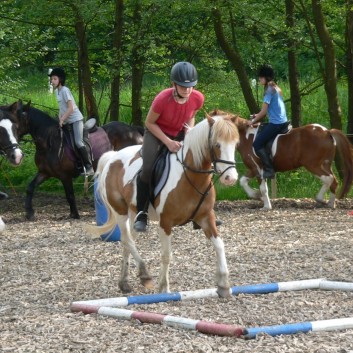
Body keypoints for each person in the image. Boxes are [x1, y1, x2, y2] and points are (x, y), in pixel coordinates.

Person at [134, 61, 204, 232]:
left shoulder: (198, 98)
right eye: (183, 86)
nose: (187, 90)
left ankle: (199, 213)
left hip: (180, 132)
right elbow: (149, 123)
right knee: (148, 168)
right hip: (157, 133)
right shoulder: (162, 99)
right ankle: (141, 213)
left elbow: (191, 116)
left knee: (198, 164)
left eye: (191, 86)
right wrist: (167, 142)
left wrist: (189, 132)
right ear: (174, 84)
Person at [48, 67, 94, 176]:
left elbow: (71, 108)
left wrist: (63, 119)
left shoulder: (65, 90)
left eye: (54, 79)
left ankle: (89, 167)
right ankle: (76, 165)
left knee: (78, 142)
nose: (52, 81)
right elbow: (62, 108)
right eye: (51, 79)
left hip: (76, 120)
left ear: (60, 79)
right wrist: (60, 119)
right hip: (67, 121)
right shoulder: (57, 92)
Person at [247, 64, 288, 179]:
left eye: (261, 77)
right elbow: (270, 109)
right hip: (282, 121)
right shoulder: (276, 87)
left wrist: (252, 121)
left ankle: (269, 169)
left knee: (257, 144)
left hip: (276, 124)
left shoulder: (269, 90)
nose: (259, 79)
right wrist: (256, 115)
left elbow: (264, 112)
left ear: (266, 77)